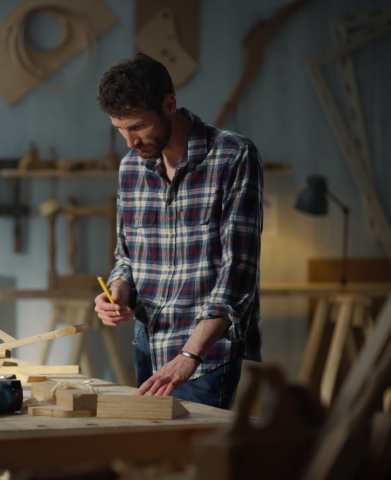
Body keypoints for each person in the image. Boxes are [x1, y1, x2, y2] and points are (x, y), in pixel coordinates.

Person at [93, 53, 263, 409]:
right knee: (152, 445)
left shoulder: (233, 156)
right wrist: (119, 290)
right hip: (149, 344)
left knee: (198, 445)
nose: (130, 141)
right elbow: (126, 255)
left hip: (204, 357)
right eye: (120, 129)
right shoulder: (131, 167)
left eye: (138, 126)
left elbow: (238, 273)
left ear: (169, 105)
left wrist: (190, 355)